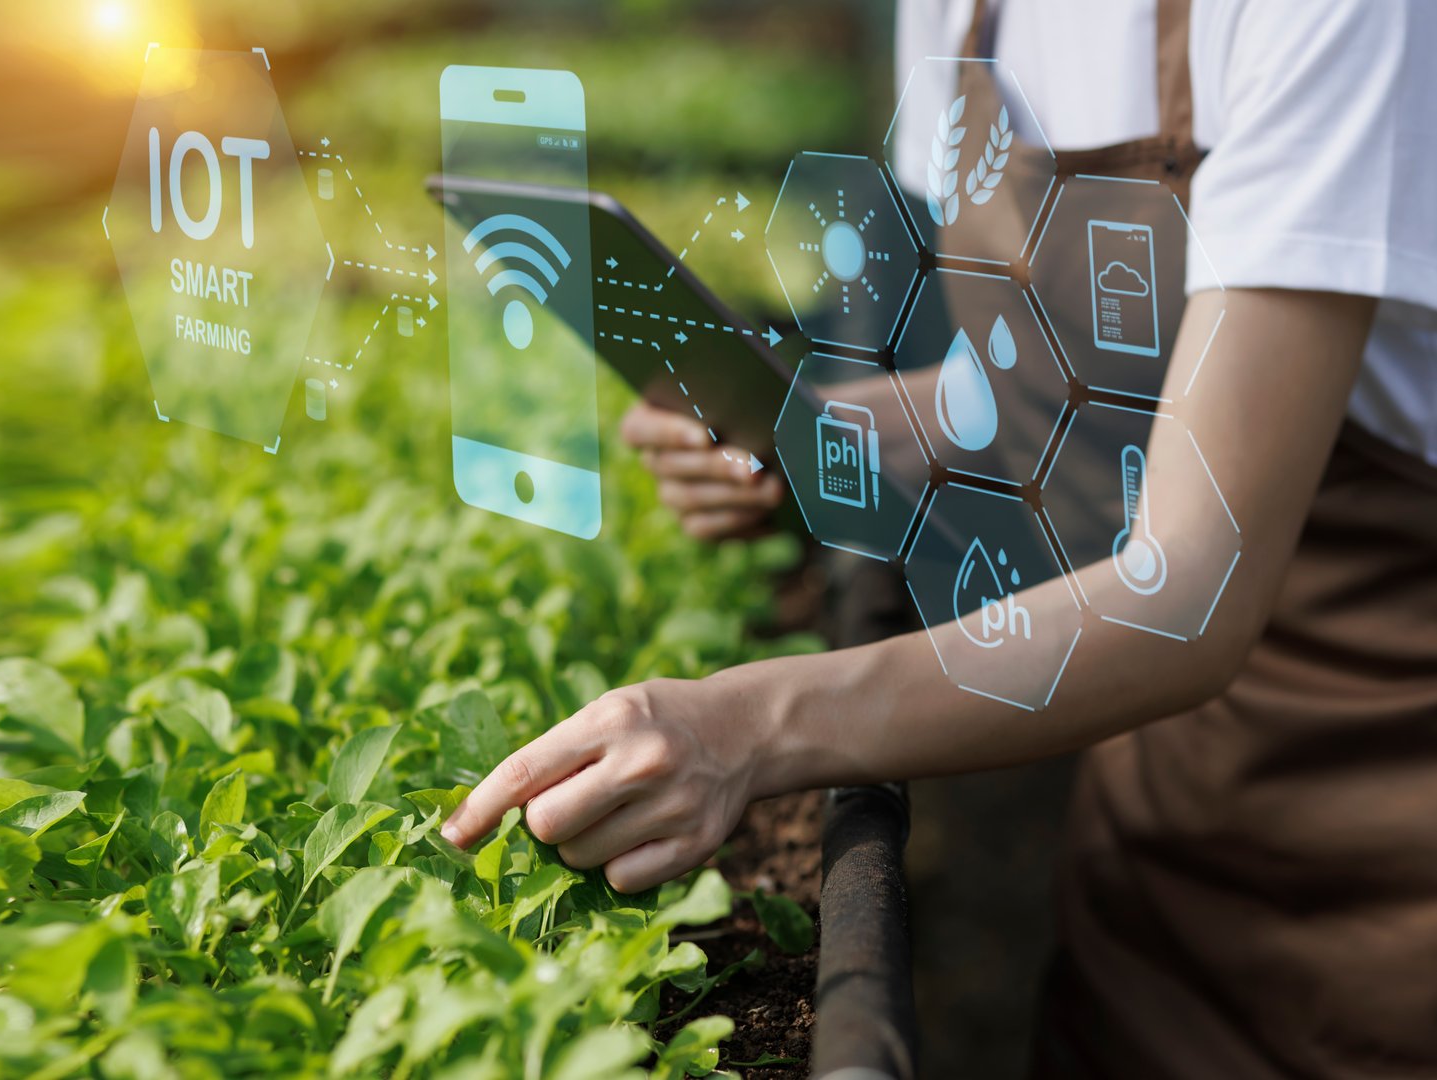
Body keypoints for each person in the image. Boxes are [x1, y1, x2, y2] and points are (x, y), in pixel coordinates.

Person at [439, 1, 1437, 1075]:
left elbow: (1187, 589)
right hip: (1156, 823)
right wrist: (816, 437)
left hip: (1376, 846)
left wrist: (749, 725)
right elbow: (1051, 385)